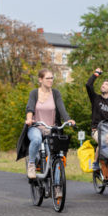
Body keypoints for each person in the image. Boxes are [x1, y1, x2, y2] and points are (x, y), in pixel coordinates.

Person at [25, 69, 75, 198]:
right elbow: (30, 107)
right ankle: (31, 164)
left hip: (51, 128)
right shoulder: (34, 93)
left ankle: (57, 187)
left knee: (56, 155)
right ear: (40, 80)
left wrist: (68, 119)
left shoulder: (56, 93)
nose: (50, 80)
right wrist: (29, 119)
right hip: (36, 126)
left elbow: (61, 108)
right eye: (47, 78)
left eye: (52, 78)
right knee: (36, 140)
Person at [86, 68, 108, 170]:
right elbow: (88, 85)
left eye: (106, 85)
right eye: (103, 84)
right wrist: (96, 74)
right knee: (103, 141)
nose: (103, 85)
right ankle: (95, 162)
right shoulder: (96, 98)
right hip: (96, 130)